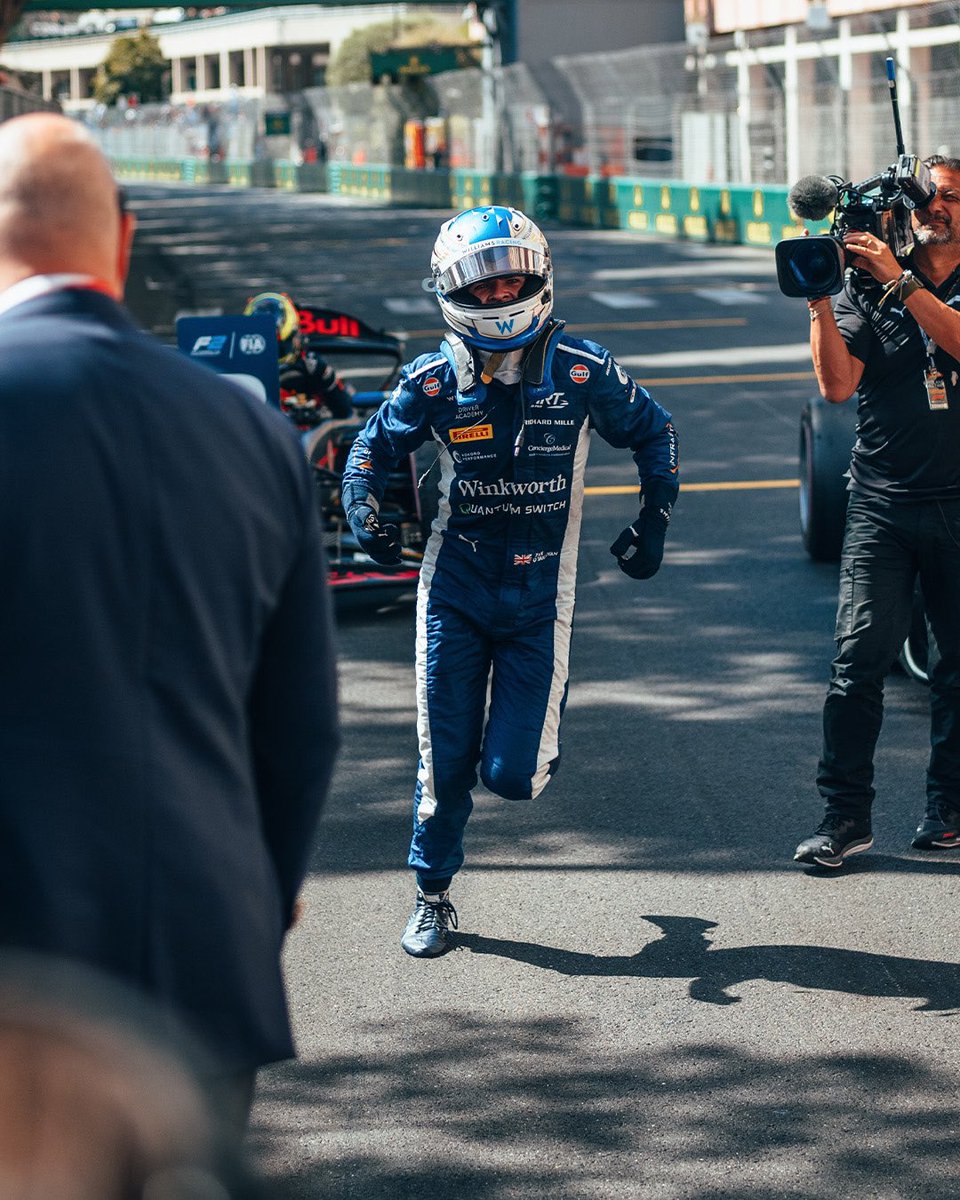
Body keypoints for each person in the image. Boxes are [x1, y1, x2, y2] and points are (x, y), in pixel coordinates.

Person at [0, 113, 339, 1119]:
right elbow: (301, 727)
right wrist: (250, 899)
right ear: (124, 239)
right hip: (200, 952)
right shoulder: (249, 425)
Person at [340, 205, 680, 957]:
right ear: (450, 292)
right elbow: (366, 449)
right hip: (452, 594)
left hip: (540, 597)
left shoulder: (583, 368)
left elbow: (657, 430)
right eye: (479, 287)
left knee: (514, 778)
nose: (496, 298)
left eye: (509, 283)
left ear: (539, 279)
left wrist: (653, 517)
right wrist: (363, 510)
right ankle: (431, 896)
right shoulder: (430, 379)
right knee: (445, 761)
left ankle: (539, 716)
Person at [794, 154, 960, 869]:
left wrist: (907, 285)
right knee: (856, 663)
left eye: (949, 196)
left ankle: (947, 813)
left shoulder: (900, 281)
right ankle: (844, 819)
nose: (935, 207)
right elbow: (836, 387)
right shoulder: (866, 283)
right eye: (926, 197)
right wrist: (821, 299)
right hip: (881, 505)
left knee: (957, 669)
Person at [243, 289, 354, 423]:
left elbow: (344, 412)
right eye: (265, 346)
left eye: (279, 348)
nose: (274, 352)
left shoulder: (312, 365)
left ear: (295, 336)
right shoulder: (241, 369)